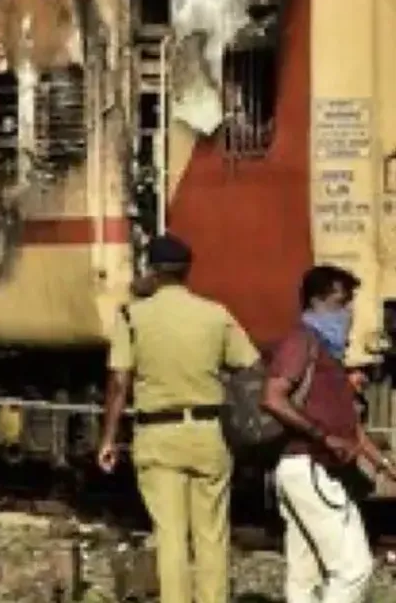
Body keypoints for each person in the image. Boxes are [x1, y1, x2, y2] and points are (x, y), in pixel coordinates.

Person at [97, 233, 261, 603]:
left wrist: (108, 438)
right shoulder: (216, 314)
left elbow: (120, 381)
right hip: (208, 434)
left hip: (158, 436)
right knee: (212, 535)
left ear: (152, 271)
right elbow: (250, 365)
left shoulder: (131, 317)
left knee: (170, 536)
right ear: (187, 271)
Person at [261, 265, 395, 603]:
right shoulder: (301, 342)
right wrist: (322, 437)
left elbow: (350, 429)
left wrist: (382, 464)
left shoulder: (328, 355)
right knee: (354, 568)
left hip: (307, 469)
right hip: (309, 467)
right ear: (316, 302)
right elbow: (273, 397)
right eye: (341, 303)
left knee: (303, 577)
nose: (348, 313)